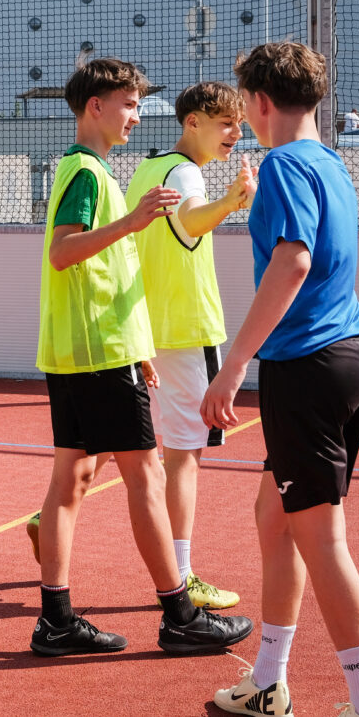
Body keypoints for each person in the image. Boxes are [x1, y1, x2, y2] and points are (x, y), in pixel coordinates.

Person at [30, 58, 253, 658]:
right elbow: (61, 252)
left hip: (88, 350)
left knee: (72, 478)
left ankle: (56, 619)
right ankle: (180, 614)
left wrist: (140, 348)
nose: (136, 115)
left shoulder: (97, 170)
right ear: (94, 107)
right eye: (127, 104)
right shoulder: (86, 174)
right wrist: (130, 222)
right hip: (98, 352)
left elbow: (108, 268)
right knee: (147, 474)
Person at [206, 43, 359, 717]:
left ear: (259, 102)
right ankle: (267, 681)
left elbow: (292, 261)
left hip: (306, 368)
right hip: (348, 356)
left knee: (321, 538)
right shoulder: (331, 165)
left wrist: (233, 365)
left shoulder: (286, 162)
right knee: (273, 517)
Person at [123, 82, 256, 610]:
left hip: (144, 328)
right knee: (184, 454)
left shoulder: (148, 169)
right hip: (184, 329)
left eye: (239, 124)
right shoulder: (185, 172)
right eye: (225, 123)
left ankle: (55, 510)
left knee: (129, 443)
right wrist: (231, 201)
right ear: (192, 121)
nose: (235, 133)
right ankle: (181, 575)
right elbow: (191, 218)